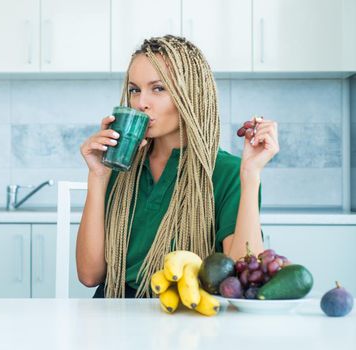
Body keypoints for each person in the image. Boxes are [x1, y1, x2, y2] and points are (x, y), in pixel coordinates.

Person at [77, 35, 279, 298]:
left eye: (158, 88)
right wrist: (98, 176)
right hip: (114, 313)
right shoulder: (119, 165)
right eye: (134, 89)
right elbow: (90, 275)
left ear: (191, 94)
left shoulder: (228, 172)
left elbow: (242, 279)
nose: (140, 102)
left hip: (187, 315)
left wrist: (250, 175)